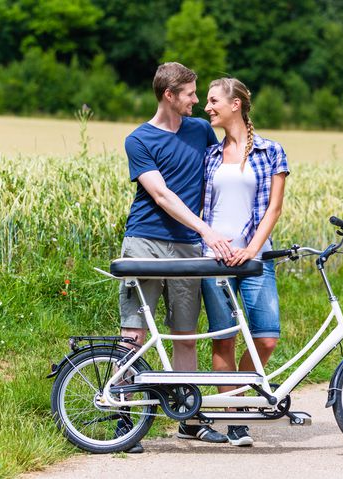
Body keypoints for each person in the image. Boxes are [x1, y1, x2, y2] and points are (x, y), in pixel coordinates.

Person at [116, 62, 234, 452]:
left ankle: (189, 418)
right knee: (134, 333)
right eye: (190, 94)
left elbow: (233, 148)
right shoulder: (139, 140)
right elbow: (162, 195)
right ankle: (123, 418)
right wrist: (207, 230)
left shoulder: (200, 131)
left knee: (186, 334)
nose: (198, 102)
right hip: (145, 243)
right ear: (169, 95)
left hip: (186, 248)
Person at [200, 77, 290, 446]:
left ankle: (244, 397)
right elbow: (202, 210)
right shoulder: (210, 155)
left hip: (256, 258)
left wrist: (252, 248)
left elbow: (274, 208)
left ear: (235, 104)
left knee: (266, 338)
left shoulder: (271, 152)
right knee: (224, 340)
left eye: (213, 100)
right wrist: (211, 241)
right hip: (214, 260)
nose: (207, 107)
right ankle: (235, 417)